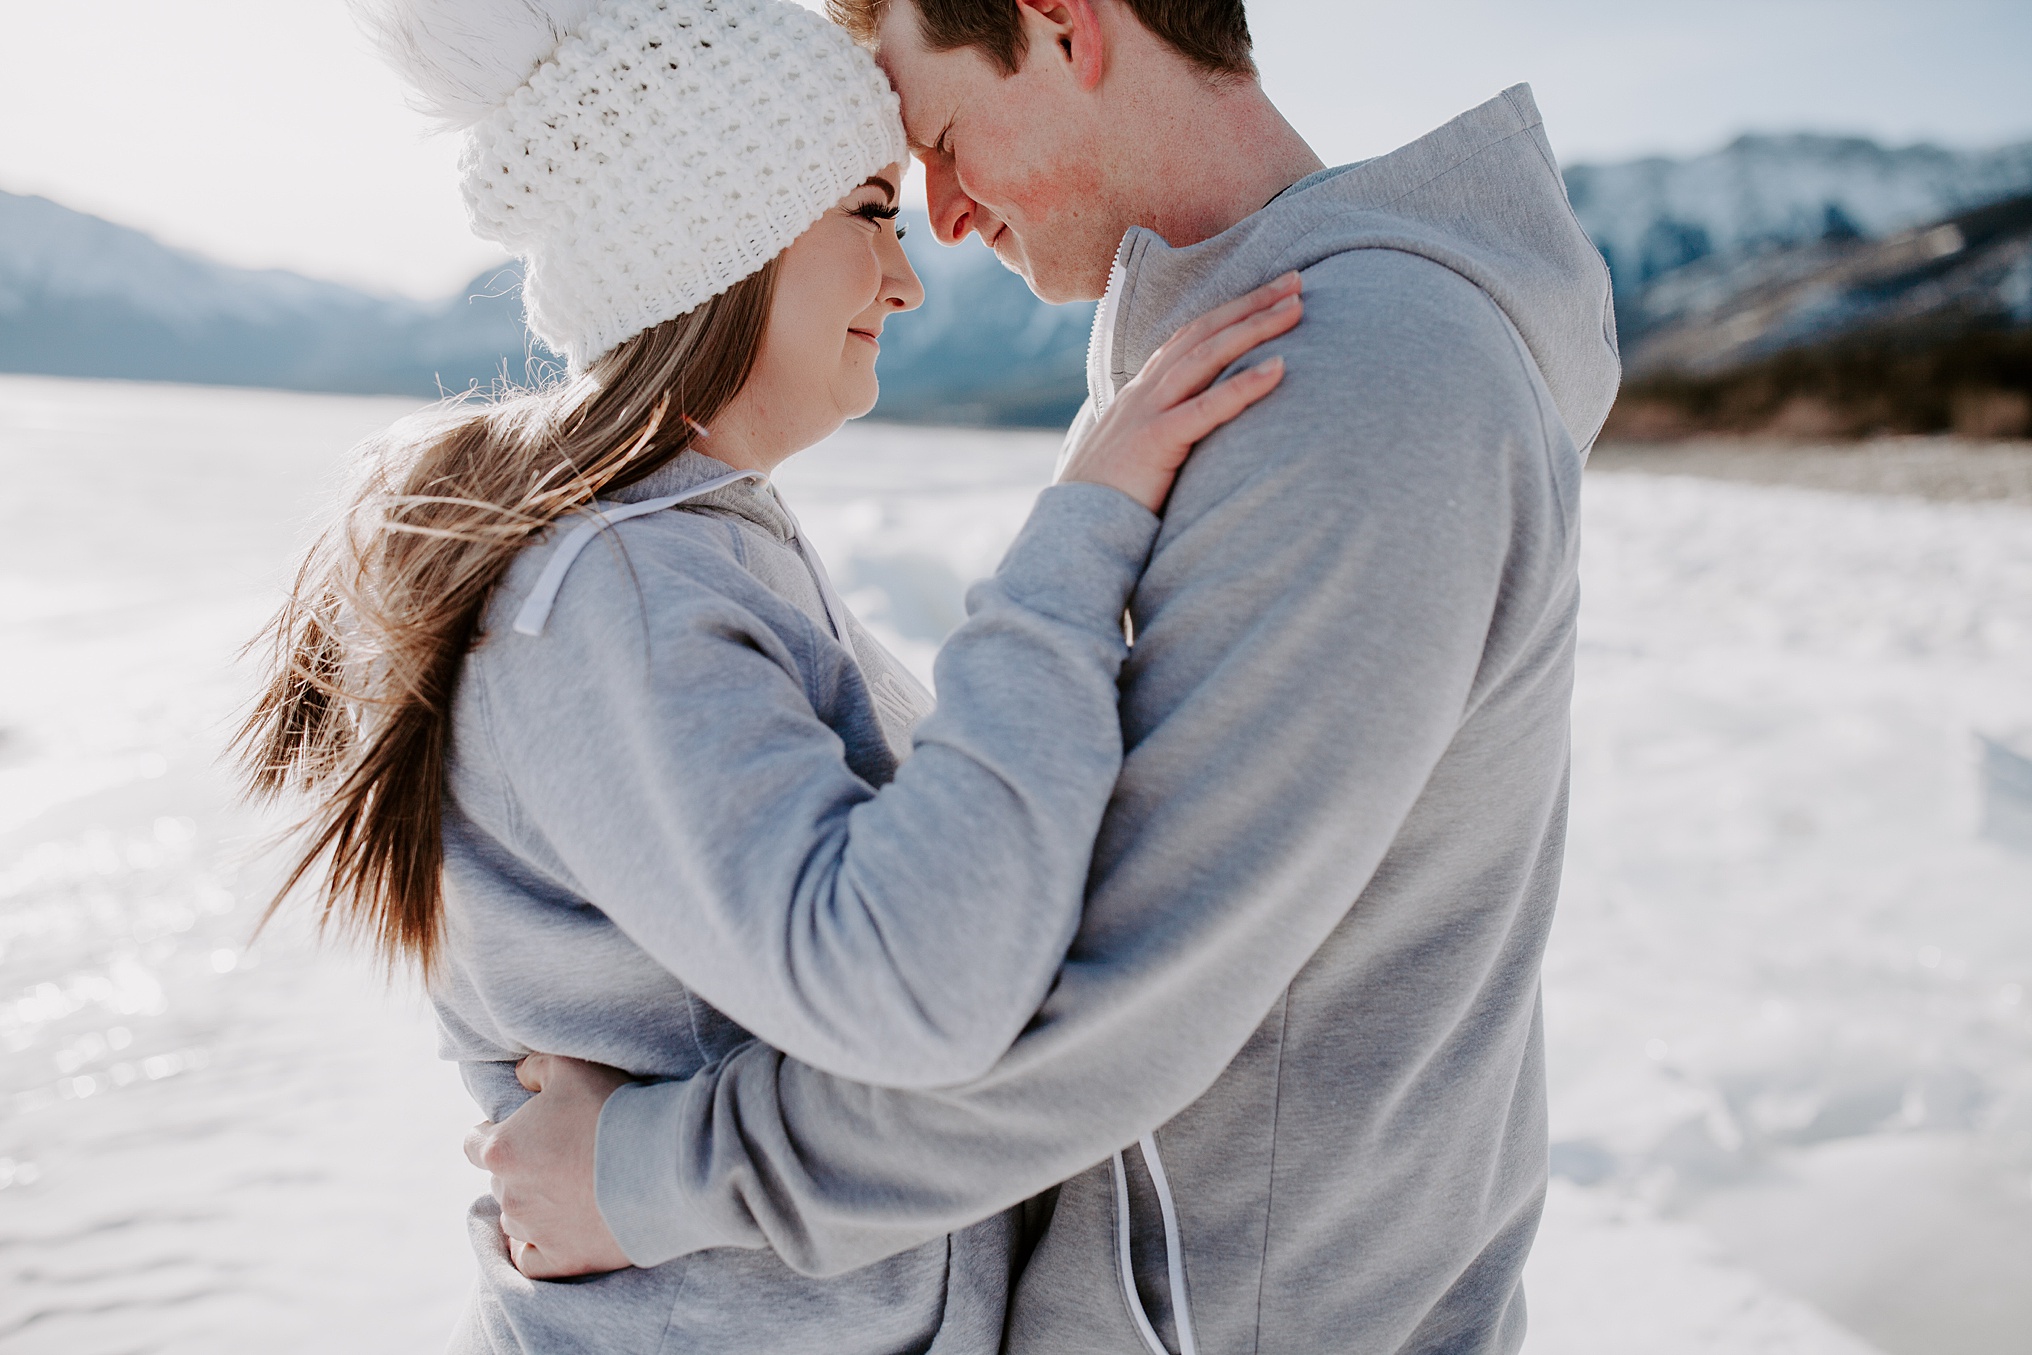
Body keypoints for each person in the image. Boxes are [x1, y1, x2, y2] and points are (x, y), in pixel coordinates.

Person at [479, 1, 1624, 1353]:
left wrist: (647, 1177)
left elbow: (1115, 1003)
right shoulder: (1230, 361)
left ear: (1063, 24)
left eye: (945, 140)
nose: (944, 226)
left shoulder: (1355, 386)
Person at [236, 0, 1297, 1350]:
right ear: (719, 241)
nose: (906, 282)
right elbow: (912, 987)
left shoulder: (689, 553)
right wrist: (1075, 544)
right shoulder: (614, 596)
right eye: (870, 212)